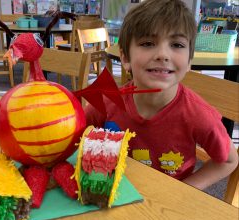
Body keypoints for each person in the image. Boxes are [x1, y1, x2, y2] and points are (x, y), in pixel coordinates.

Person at [85, 0, 238, 190]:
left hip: (166, 207)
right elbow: (74, 138)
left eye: (177, 44)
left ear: (190, 60)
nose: (163, 54)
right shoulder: (106, 102)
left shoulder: (198, 114)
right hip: (116, 196)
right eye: (148, 43)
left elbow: (229, 160)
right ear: (125, 58)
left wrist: (184, 189)